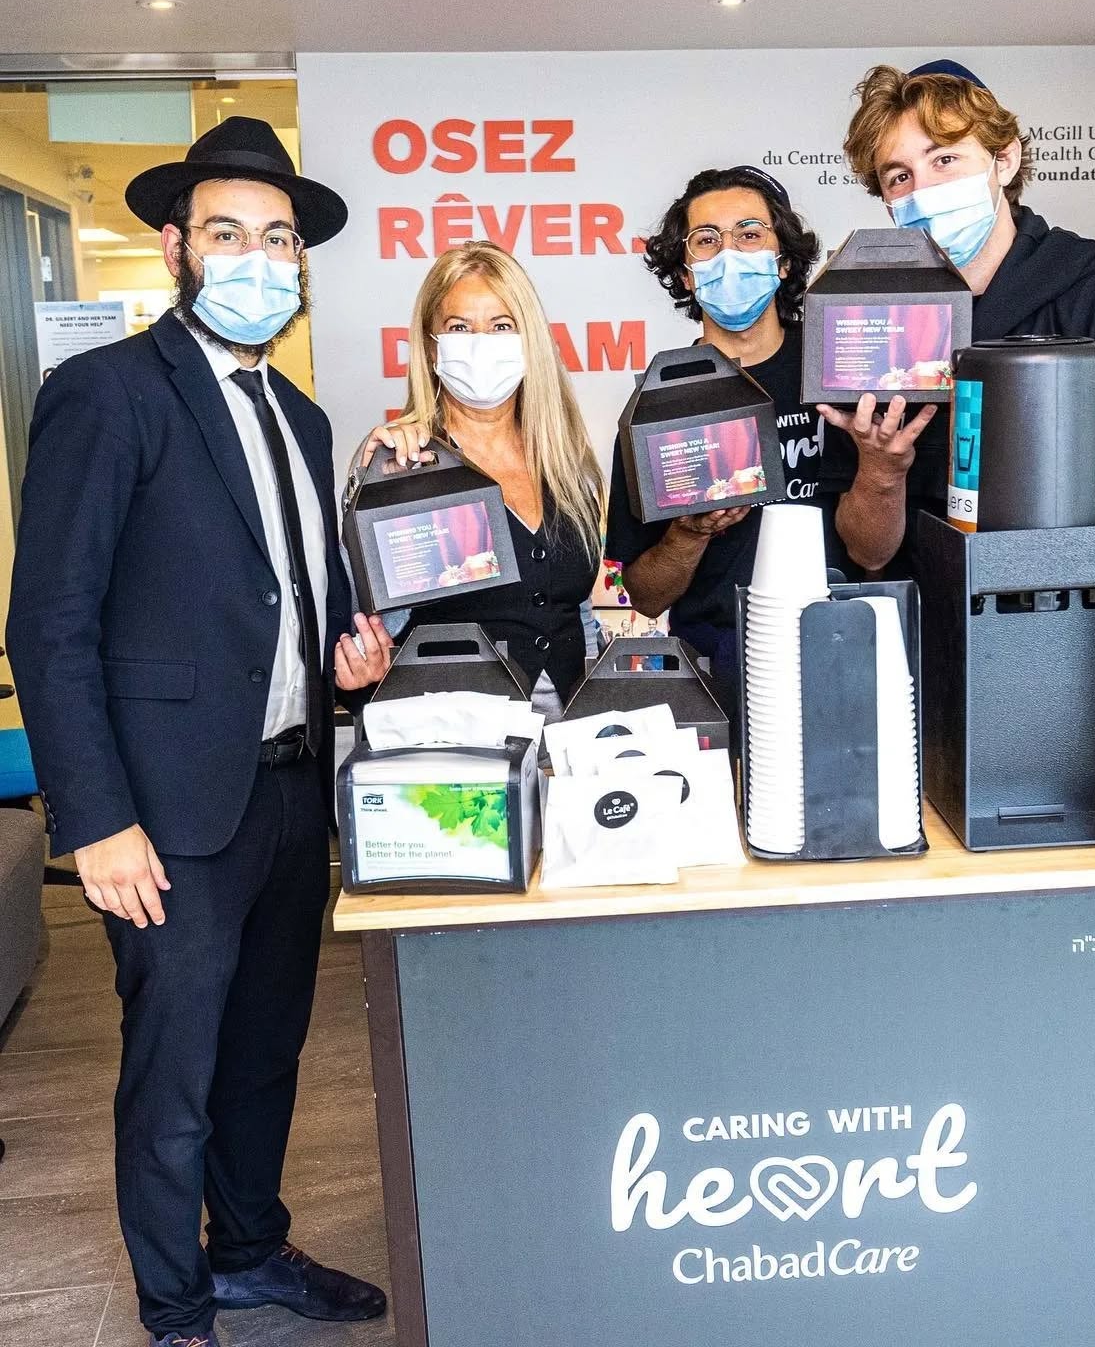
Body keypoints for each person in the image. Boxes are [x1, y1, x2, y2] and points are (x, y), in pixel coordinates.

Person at [6, 117, 393, 1347]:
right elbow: (49, 627)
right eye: (229, 234)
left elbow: (286, 597)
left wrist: (349, 659)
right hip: (167, 815)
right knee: (171, 1077)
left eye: (279, 240)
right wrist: (99, 819)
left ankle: (253, 1249)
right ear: (175, 247)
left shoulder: (305, 415)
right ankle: (177, 1309)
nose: (258, 259)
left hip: (286, 793)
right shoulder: (106, 396)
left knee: (269, 1048)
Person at [823, 59, 1095, 574]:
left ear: (1004, 160)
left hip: (1067, 619)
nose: (922, 190)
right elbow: (866, 552)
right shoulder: (871, 322)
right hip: (916, 624)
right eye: (899, 177)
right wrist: (881, 470)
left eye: (943, 160)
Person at [602, 165, 828, 720]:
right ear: (685, 274)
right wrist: (688, 533)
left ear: (783, 260)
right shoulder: (659, 404)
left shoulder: (838, 373)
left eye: (749, 234)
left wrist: (881, 464)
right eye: (706, 241)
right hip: (716, 663)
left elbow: (879, 552)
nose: (729, 252)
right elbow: (642, 594)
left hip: (838, 640)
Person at [355, 240, 605, 717]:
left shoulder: (566, 462)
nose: (482, 341)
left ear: (528, 340)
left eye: (502, 326)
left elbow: (578, 611)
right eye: (460, 327)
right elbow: (374, 634)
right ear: (431, 348)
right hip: (455, 742)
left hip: (569, 744)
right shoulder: (405, 463)